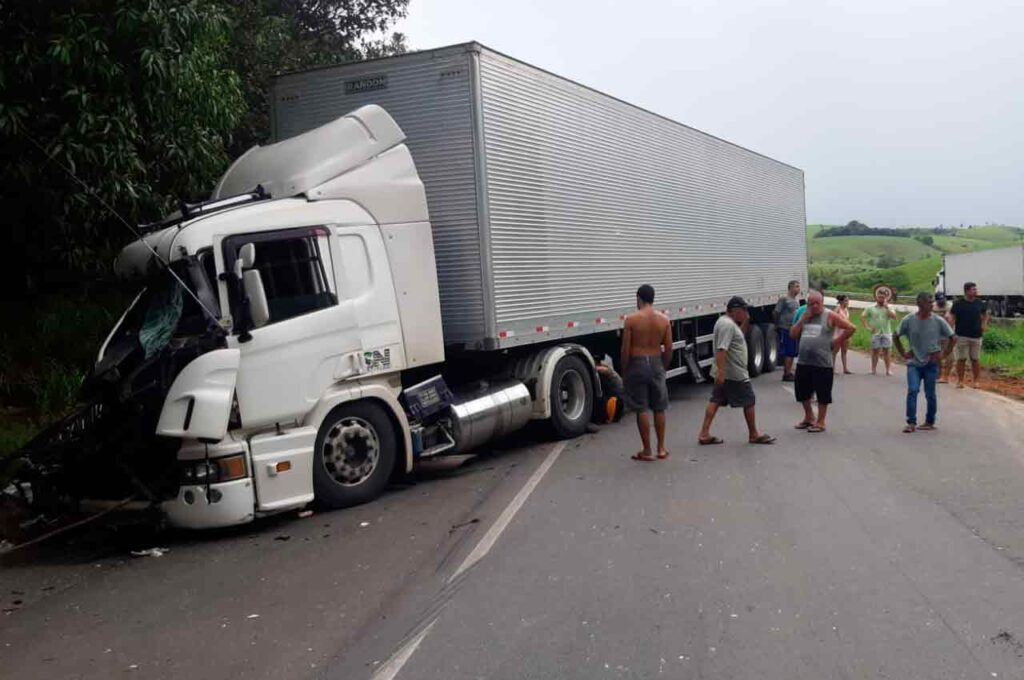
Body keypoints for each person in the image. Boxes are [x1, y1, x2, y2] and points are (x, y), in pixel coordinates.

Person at [697, 296, 776, 445]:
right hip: (734, 372)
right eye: (743, 310)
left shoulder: (727, 323)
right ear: (734, 310)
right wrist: (721, 372)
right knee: (749, 400)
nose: (745, 312)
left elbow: (736, 336)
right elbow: (722, 349)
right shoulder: (727, 325)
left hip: (728, 371)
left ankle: (704, 433)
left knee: (716, 399)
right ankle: (754, 433)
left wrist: (746, 320)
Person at [789, 291, 856, 432]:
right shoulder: (804, 315)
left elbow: (851, 328)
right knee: (802, 392)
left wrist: (836, 341)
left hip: (822, 362)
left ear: (822, 303)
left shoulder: (829, 315)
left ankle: (821, 421)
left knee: (822, 393)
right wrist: (803, 320)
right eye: (810, 303)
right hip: (804, 361)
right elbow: (793, 334)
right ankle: (809, 417)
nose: (813, 307)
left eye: (816, 303)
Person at [621, 284, 672, 461]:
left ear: (639, 298)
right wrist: (663, 366)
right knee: (659, 407)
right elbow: (669, 348)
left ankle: (647, 450)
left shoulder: (631, 320)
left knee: (641, 407)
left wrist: (624, 370)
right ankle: (661, 448)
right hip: (656, 361)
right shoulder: (664, 320)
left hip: (638, 363)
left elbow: (625, 349)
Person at [894, 292, 956, 433]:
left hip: (931, 362)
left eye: (931, 302)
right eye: (928, 302)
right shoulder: (909, 320)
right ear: (919, 304)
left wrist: (944, 354)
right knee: (913, 390)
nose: (931, 305)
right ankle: (911, 422)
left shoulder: (938, 320)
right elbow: (896, 335)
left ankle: (929, 421)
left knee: (930, 393)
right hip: (914, 362)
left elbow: (953, 337)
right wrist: (903, 352)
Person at [948, 281, 990, 389]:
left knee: (975, 359)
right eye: (973, 289)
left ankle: (976, 381)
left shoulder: (979, 303)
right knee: (961, 359)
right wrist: (950, 331)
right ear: (967, 291)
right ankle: (960, 381)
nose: (976, 291)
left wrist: (984, 324)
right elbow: (952, 316)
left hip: (976, 336)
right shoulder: (958, 303)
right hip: (961, 335)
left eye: (975, 289)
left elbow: (985, 314)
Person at [861, 288, 898, 376]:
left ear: (886, 298)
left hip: (886, 332)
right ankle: (873, 369)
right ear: (876, 297)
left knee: (887, 351)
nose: (881, 298)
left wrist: (887, 307)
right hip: (875, 332)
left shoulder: (889, 307)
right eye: (879, 297)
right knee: (875, 351)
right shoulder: (870, 307)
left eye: (883, 297)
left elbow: (894, 316)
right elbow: (862, 316)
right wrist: (867, 327)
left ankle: (888, 370)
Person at [773, 280, 802, 382]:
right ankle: (787, 373)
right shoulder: (784, 299)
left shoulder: (796, 300)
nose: (798, 289)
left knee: (793, 351)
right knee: (788, 351)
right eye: (796, 287)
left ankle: (789, 371)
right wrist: (777, 325)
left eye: (799, 287)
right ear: (790, 288)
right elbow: (776, 312)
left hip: (794, 328)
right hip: (786, 328)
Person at [933, 292, 954, 383]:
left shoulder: (950, 306)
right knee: (937, 355)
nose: (942, 302)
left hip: (948, 334)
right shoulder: (933, 306)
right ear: (936, 300)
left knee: (949, 355)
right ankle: (939, 374)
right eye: (939, 300)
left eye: (943, 299)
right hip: (936, 334)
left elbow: (949, 319)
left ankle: (946, 375)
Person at [832, 294, 853, 374]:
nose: (847, 302)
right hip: (838, 332)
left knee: (844, 351)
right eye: (846, 300)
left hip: (845, 332)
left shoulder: (846, 310)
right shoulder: (838, 309)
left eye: (848, 300)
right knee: (835, 351)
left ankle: (845, 368)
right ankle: (832, 368)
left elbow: (848, 321)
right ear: (841, 301)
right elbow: (833, 318)